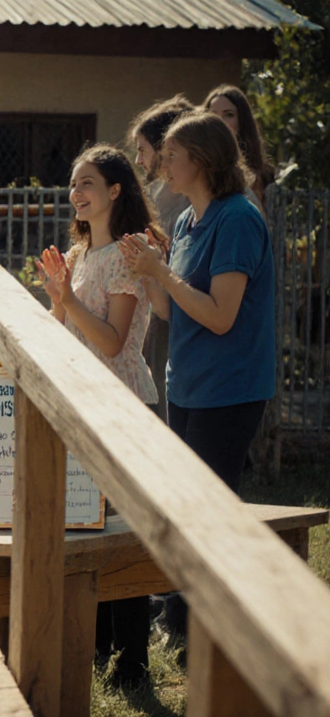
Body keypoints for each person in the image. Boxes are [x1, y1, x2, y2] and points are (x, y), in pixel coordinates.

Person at [120, 111, 275, 647]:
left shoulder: (238, 219)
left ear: (203, 160)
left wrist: (162, 274)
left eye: (171, 155)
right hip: (185, 385)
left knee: (209, 512)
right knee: (185, 507)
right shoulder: (186, 221)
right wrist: (150, 270)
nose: (161, 163)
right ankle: (184, 624)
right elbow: (169, 311)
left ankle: (208, 630)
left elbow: (220, 315)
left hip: (229, 390)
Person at [36, 145, 161, 689]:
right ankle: (96, 642)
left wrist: (68, 297)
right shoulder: (78, 254)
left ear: (115, 191)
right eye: (73, 183)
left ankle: (133, 658)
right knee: (85, 523)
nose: (76, 193)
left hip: (123, 404)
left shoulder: (129, 254)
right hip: (79, 403)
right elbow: (59, 326)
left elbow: (111, 343)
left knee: (123, 529)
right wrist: (54, 300)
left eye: (87, 183)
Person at [129, 96, 195, 421]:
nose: (139, 160)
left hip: (179, 319)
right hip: (164, 314)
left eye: (142, 150)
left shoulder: (178, 198)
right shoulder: (160, 193)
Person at [203, 84, 275, 209]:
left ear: (242, 121)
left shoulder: (261, 174)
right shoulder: (196, 165)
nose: (220, 121)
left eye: (228, 115)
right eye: (213, 114)